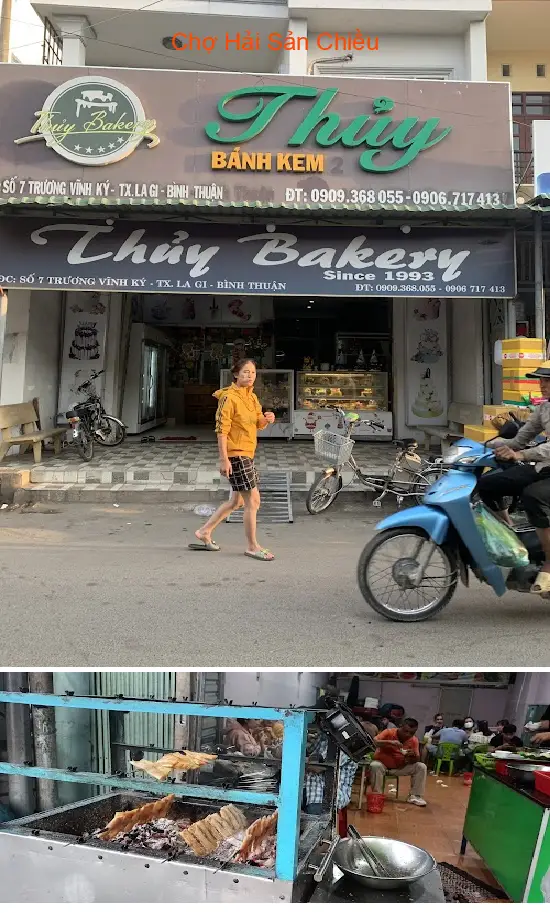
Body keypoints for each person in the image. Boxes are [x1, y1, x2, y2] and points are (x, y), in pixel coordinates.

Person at [190, 358, 276, 560]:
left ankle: (204, 531)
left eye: (253, 372)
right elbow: (222, 430)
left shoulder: (251, 397)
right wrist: (224, 459)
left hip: (247, 453)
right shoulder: (228, 398)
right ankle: (252, 546)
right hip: (236, 454)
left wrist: (267, 419)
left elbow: (257, 422)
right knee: (253, 500)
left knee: (236, 501)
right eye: (245, 372)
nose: (250, 375)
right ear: (236, 374)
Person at [477, 363, 550, 594]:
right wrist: (484, 446)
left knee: (533, 496)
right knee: (489, 484)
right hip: (544, 466)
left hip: (544, 464)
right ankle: (510, 534)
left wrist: (521, 455)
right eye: (541, 380)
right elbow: (519, 440)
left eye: (548, 380)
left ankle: (549, 561)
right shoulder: (544, 408)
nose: (542, 385)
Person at [369, 717, 428, 807]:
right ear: (400, 726)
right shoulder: (389, 732)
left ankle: (415, 796)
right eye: (405, 731)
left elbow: (416, 759)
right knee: (375, 765)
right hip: (383, 766)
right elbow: (374, 742)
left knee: (421, 766)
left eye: (412, 733)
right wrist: (390, 742)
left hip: (400, 767)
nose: (407, 735)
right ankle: (377, 795)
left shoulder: (414, 740)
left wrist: (412, 756)